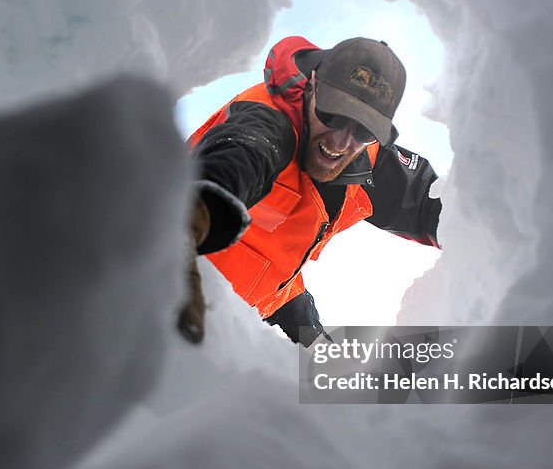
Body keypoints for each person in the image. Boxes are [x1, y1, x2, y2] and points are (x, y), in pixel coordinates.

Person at [178, 35, 442, 346]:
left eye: (363, 130)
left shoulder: (367, 157)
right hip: (187, 279)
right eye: (334, 114)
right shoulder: (264, 122)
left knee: (325, 364)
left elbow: (440, 208)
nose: (341, 143)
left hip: (274, 291)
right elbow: (235, 161)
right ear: (312, 84)